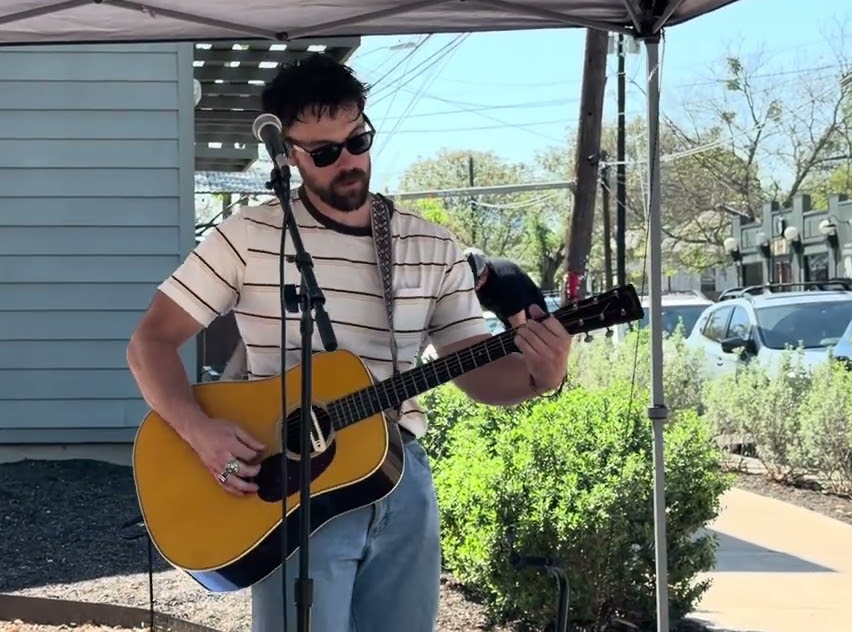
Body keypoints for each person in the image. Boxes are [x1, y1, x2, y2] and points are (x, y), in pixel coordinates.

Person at [125, 53, 572, 632]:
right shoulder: (249, 236)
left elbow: (474, 371)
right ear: (288, 154)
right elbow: (150, 344)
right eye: (326, 152)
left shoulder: (430, 246)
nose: (350, 162)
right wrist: (199, 430)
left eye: (357, 140)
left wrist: (543, 374)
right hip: (292, 484)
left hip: (399, 477)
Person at [464, 248, 550, 326]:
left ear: (485, 270)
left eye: (476, 281)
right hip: (510, 321)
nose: (474, 286)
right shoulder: (472, 285)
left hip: (533, 321)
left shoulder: (504, 280)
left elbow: (520, 327)